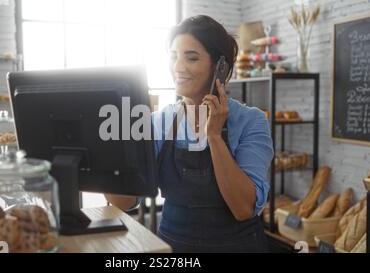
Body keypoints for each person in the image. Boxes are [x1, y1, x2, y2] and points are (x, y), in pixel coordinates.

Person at [106, 15, 273, 253]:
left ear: (220, 67)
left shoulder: (251, 121)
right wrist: (108, 155)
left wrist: (214, 137)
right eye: (174, 56)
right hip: (174, 246)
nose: (178, 67)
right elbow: (125, 202)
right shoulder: (158, 122)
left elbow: (244, 208)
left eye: (191, 58)